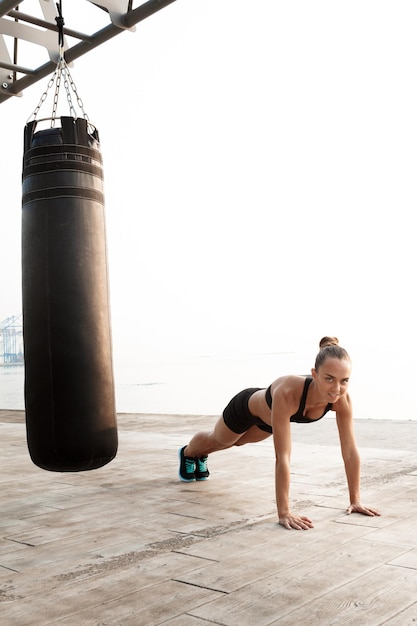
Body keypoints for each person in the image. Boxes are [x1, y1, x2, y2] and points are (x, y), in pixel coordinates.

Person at [178, 336, 381, 530]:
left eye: (344, 380)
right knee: (221, 440)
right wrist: (284, 512)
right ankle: (189, 453)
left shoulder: (341, 400)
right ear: (315, 373)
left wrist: (355, 500)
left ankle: (201, 454)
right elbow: (282, 456)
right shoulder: (288, 391)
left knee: (237, 443)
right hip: (245, 408)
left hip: (267, 423)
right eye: (329, 379)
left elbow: (349, 450)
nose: (336, 388)